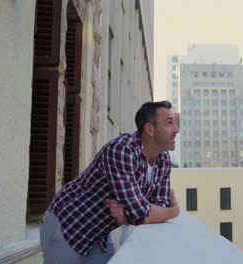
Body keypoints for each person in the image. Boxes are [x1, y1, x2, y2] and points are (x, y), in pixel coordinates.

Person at [40, 101, 180, 264]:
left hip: (99, 235)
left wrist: (129, 216)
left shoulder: (163, 160)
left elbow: (157, 207)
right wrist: (174, 211)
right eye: (169, 123)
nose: (177, 130)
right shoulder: (122, 150)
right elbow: (144, 213)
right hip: (68, 226)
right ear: (149, 129)